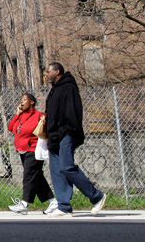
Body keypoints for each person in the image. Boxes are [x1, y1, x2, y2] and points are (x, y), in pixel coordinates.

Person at [45, 62, 107, 217]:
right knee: (57, 170)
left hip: (67, 133)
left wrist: (67, 131)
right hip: (53, 136)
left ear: (57, 72)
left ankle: (97, 196)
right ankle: (64, 206)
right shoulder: (54, 90)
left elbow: (72, 112)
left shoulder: (68, 87)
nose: (45, 75)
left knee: (67, 167)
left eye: (48, 72)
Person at [7, 93, 57, 215]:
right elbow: (10, 127)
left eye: (25, 99)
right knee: (37, 177)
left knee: (28, 176)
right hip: (22, 150)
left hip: (34, 150)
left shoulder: (38, 115)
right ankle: (53, 201)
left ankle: (24, 204)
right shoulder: (20, 116)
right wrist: (17, 114)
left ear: (32, 102)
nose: (22, 102)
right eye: (21, 100)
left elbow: (43, 129)